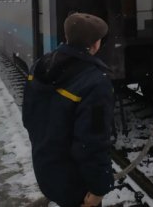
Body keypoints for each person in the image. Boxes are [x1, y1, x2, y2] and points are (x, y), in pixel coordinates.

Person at [23, 13, 114, 207]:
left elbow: (29, 118)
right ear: (96, 44)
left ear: (66, 37)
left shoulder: (38, 67)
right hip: (76, 183)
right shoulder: (95, 83)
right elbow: (92, 145)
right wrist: (99, 189)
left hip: (46, 170)